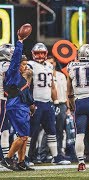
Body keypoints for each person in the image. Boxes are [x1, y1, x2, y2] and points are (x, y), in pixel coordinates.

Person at [27, 43, 70, 165]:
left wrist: (56, 102)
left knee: (52, 130)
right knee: (31, 132)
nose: (40, 56)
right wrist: (29, 102)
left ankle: (56, 157)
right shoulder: (30, 65)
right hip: (35, 102)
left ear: (46, 54)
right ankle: (25, 157)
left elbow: (52, 86)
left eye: (42, 53)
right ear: (33, 54)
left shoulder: (50, 66)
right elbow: (26, 85)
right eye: (37, 53)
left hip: (47, 103)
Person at [0, 31, 35, 171]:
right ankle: (7, 158)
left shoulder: (19, 74)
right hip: (14, 104)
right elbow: (15, 62)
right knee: (22, 136)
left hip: (19, 105)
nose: (25, 66)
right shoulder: (12, 71)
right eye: (23, 64)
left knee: (24, 136)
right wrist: (20, 41)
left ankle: (21, 162)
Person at [46, 56, 69, 157]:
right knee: (48, 130)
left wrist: (68, 107)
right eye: (48, 63)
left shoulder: (61, 75)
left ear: (55, 63)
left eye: (52, 62)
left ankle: (59, 152)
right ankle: (45, 153)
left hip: (62, 104)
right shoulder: (44, 75)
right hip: (49, 104)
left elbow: (66, 92)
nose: (50, 64)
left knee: (60, 129)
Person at [0, 44, 12, 159]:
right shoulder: (6, 65)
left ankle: (5, 157)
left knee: (5, 129)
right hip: (2, 99)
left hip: (4, 99)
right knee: (2, 129)